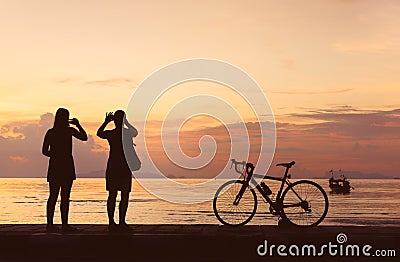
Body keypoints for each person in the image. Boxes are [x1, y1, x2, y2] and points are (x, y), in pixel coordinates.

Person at [42, 108, 88, 233]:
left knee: (55, 196)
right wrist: (78, 124)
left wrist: (55, 155)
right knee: (62, 196)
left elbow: (45, 151)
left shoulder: (53, 132)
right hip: (64, 165)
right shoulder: (68, 131)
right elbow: (84, 137)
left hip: (59, 166)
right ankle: (61, 225)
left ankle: (53, 225)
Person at [97, 110, 138, 231]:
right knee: (123, 195)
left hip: (115, 166)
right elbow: (135, 132)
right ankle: (120, 222)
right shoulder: (127, 133)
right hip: (123, 166)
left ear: (114, 121)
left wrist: (106, 122)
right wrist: (127, 122)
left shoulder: (112, 134)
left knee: (113, 195)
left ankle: (113, 222)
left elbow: (99, 133)